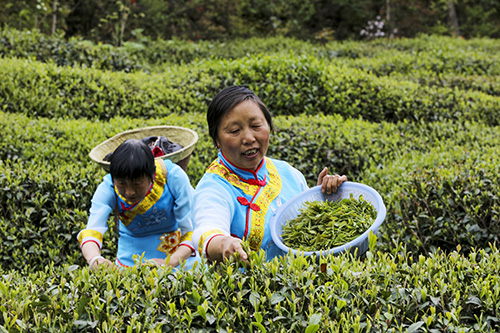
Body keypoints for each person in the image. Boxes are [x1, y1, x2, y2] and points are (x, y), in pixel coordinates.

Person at [192, 85, 347, 263]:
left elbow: (310, 230)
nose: (249, 138)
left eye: (256, 126)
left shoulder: (286, 172)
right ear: (216, 140)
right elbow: (207, 229)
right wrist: (223, 243)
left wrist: (322, 198)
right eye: (235, 131)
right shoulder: (213, 187)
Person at [78, 139, 198, 269]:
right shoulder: (108, 187)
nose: (129, 192)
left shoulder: (172, 176)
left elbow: (192, 230)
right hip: (131, 257)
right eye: (122, 184)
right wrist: (95, 259)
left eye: (137, 184)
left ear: (152, 175)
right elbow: (92, 230)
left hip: (179, 253)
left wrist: (170, 262)